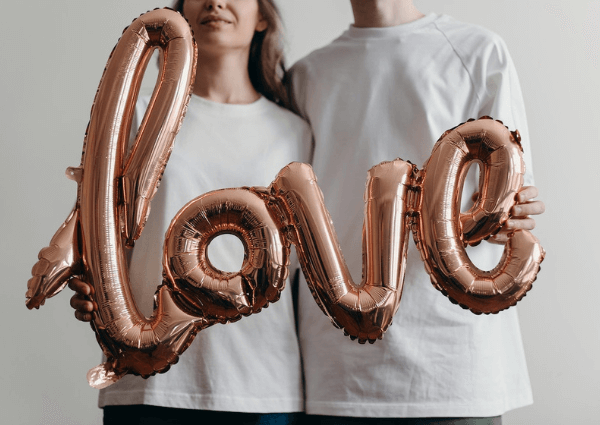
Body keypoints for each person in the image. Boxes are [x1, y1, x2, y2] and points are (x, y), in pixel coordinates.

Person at [287, 1, 545, 424]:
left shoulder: (478, 51)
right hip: (338, 372)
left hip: (454, 366)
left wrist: (512, 215)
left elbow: (511, 197)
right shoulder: (307, 76)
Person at [69, 0, 311, 424]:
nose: (215, 1)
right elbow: (100, 233)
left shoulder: (296, 133)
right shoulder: (138, 115)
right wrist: (91, 284)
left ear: (263, 19)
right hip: (148, 384)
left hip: (261, 387)